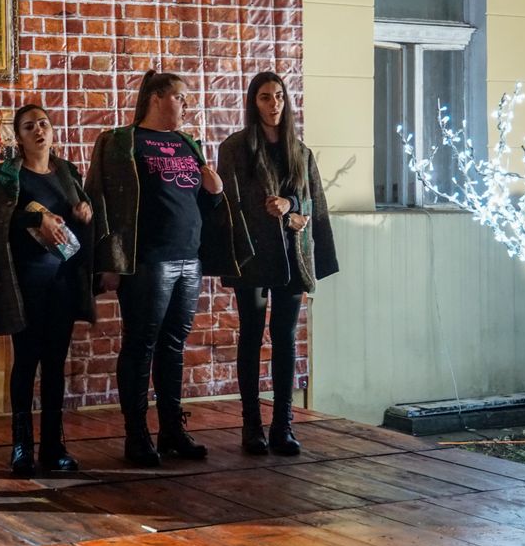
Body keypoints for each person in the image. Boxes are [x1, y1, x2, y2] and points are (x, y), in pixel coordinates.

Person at [85, 70, 247, 468]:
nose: (186, 105)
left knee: (173, 346)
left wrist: (216, 193)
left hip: (189, 258)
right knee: (141, 345)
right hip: (148, 260)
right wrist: (108, 261)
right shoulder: (122, 142)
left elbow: (201, 203)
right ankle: (136, 434)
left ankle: (172, 429)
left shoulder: (187, 144)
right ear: (156, 98)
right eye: (180, 97)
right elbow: (101, 200)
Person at [217, 71, 338, 456]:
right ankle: (251, 424)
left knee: (285, 337)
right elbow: (229, 203)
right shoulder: (235, 148)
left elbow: (312, 201)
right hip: (252, 254)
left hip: (290, 254)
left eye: (280, 96)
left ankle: (283, 425)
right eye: (266, 97)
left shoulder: (299, 151)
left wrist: (294, 208)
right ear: (254, 103)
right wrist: (277, 212)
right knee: (251, 335)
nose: (274, 104)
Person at [0, 105, 95, 476]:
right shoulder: (4, 176)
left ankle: (54, 446)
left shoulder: (67, 173)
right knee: (26, 361)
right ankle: (22, 446)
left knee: (55, 363)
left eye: (43, 124)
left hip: (62, 280)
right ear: (19, 137)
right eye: (29, 127)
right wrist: (35, 217)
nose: (38, 131)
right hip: (24, 281)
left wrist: (85, 214)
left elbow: (77, 227)